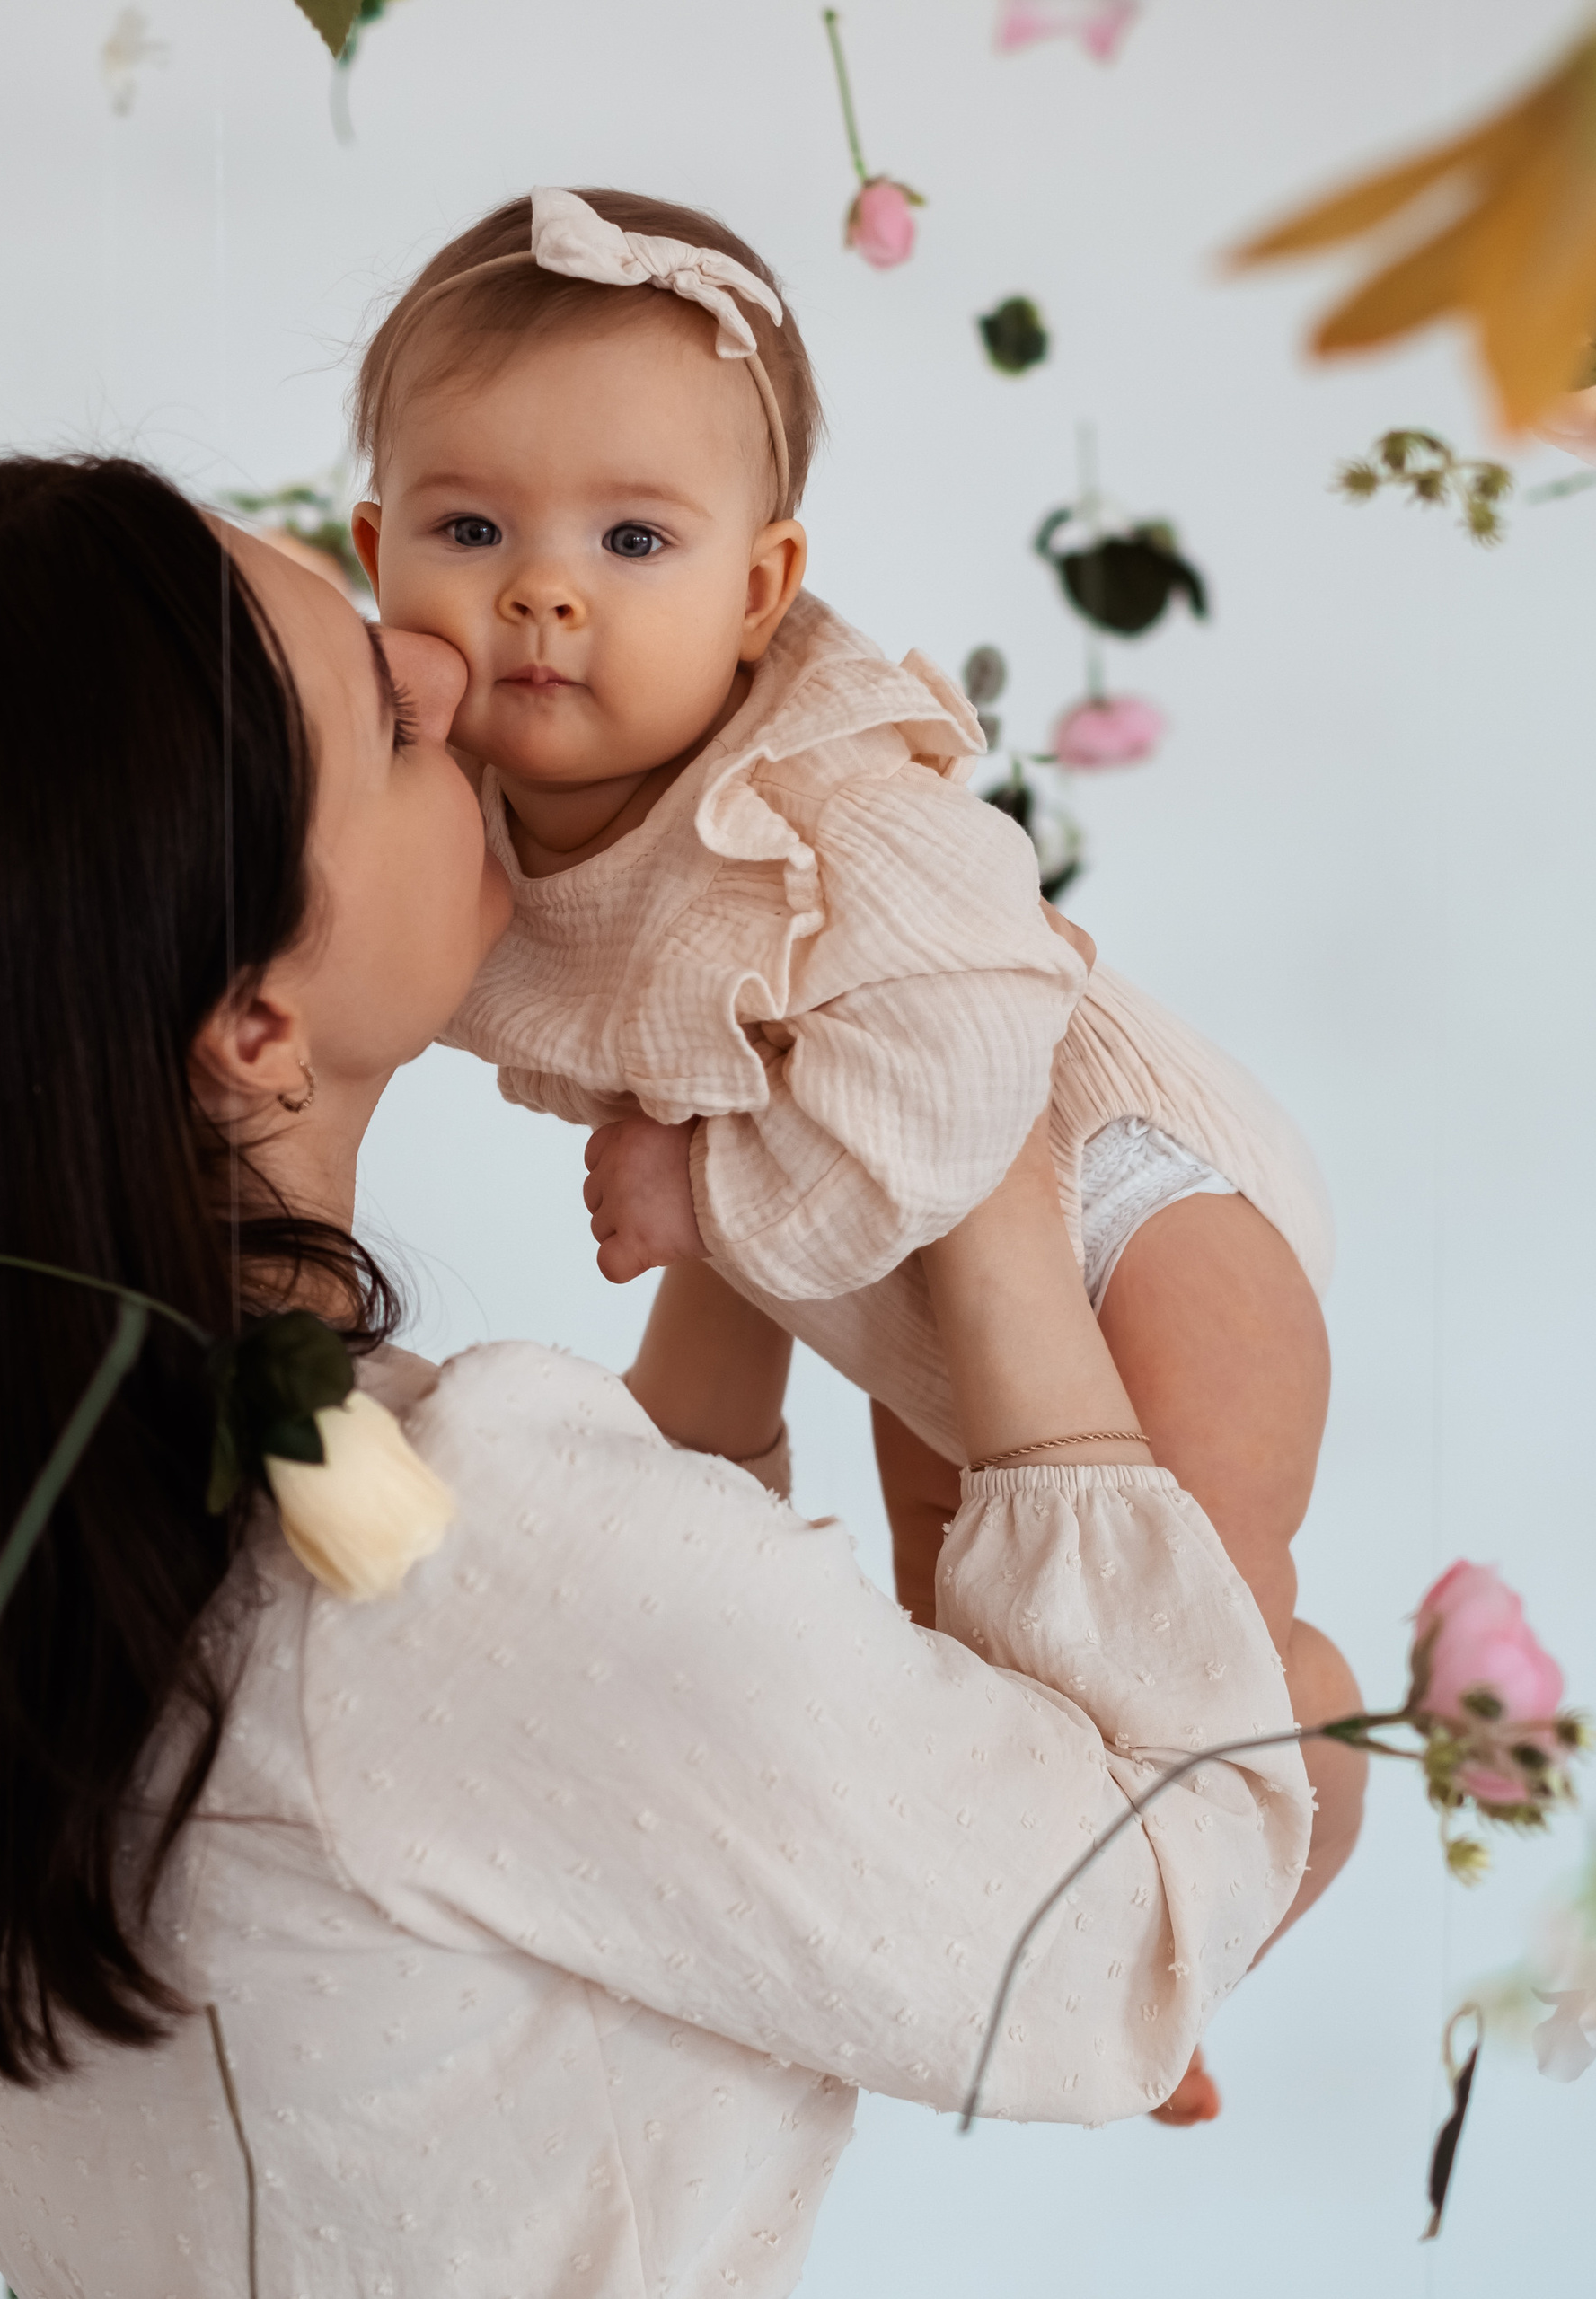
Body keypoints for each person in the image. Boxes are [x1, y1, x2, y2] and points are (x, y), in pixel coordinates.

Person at [0, 454, 1311, 2296]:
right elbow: (1122, 1935)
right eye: (386, 717)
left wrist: (757, 1137)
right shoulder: (427, 1564)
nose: (455, 676)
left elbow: (601, 1733)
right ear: (251, 1027)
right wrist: (989, 1171)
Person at [348, 190, 1367, 2098]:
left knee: (1185, 1603)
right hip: (891, 1269)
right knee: (967, 1645)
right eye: (468, 528)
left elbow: (961, 1063)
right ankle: (1114, 1930)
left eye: (631, 537)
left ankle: (1263, 1789)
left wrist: (705, 1185)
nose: (541, 592)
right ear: (375, 548)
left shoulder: (825, 796)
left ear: (757, 584)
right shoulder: (457, 807)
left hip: (1135, 1201)